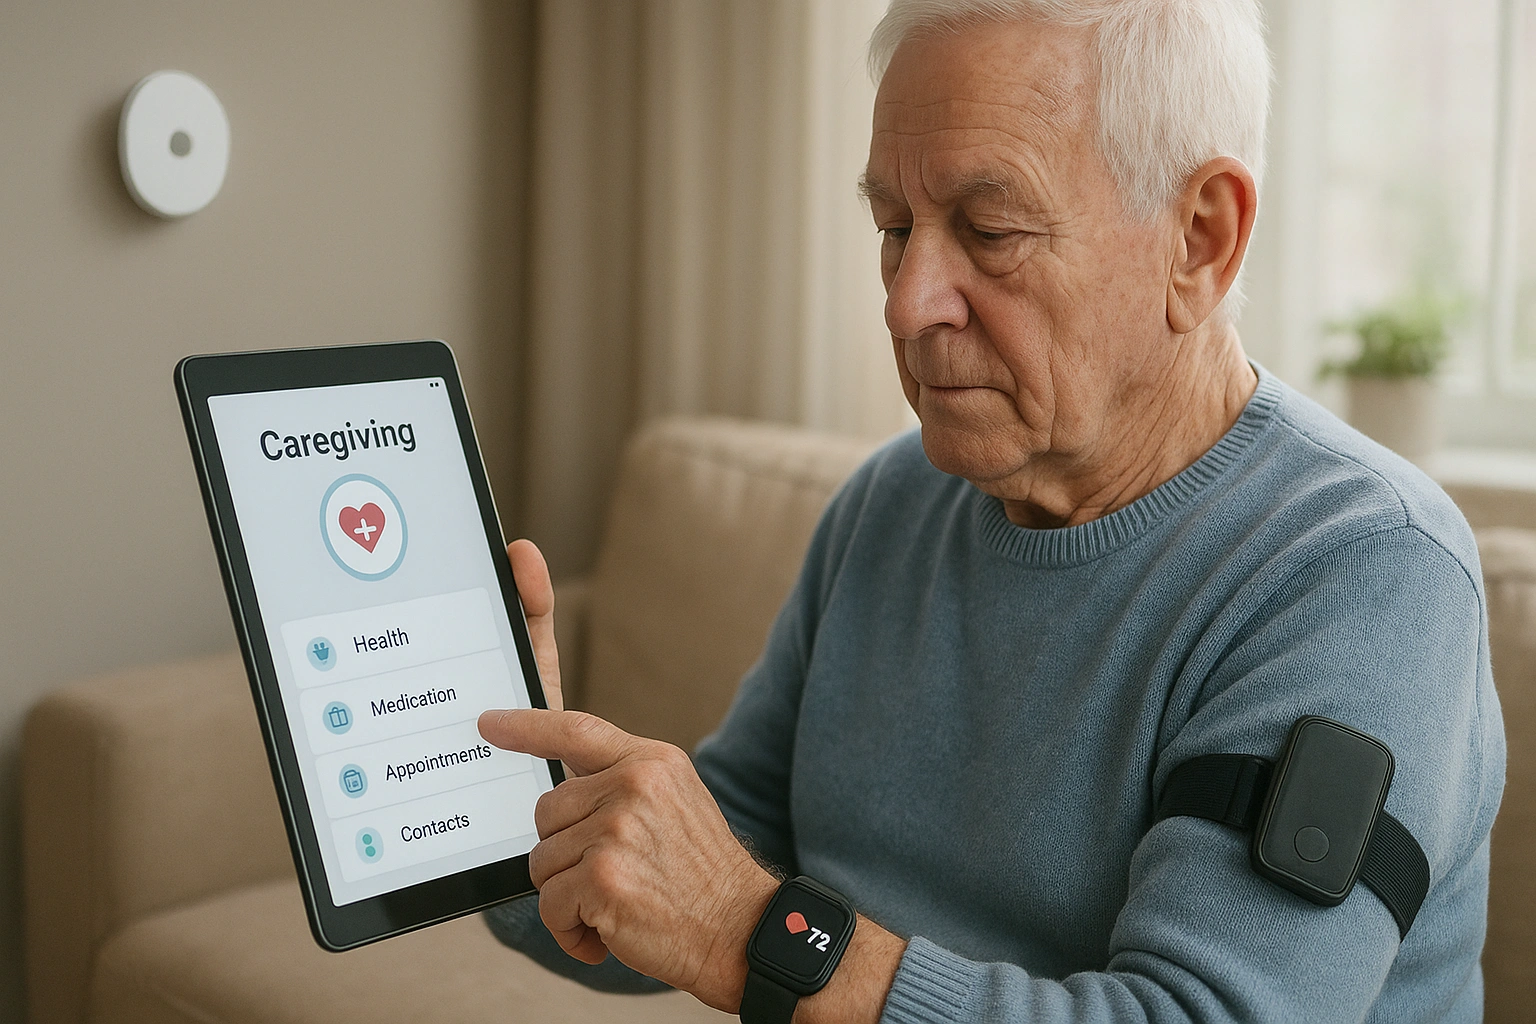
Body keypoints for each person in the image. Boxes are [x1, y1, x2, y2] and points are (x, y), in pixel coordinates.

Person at [480, 1, 1506, 1021]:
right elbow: (705, 864)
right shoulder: (892, 504)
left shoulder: (1365, 571)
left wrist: (749, 933)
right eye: (894, 228)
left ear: (1201, 239)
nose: (907, 299)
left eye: (990, 229)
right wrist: (499, 795)